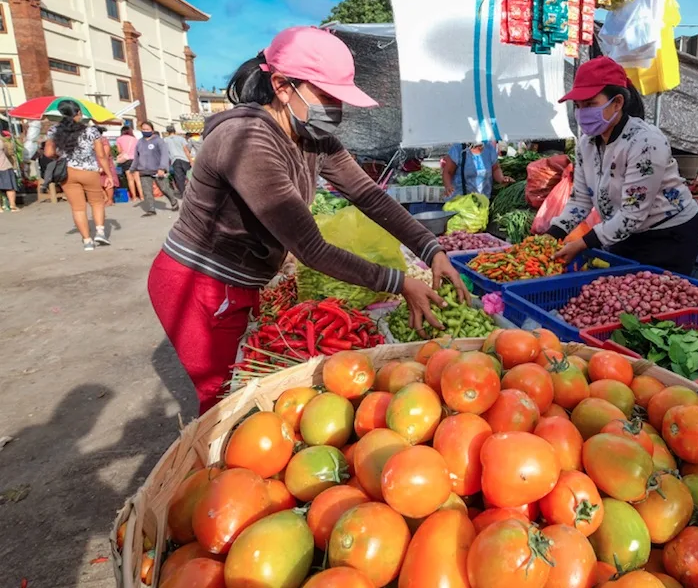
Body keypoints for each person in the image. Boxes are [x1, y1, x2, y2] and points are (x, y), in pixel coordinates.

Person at [147, 26, 469, 413]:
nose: (336, 110)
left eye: (339, 99)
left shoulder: (311, 136)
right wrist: (398, 283)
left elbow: (368, 195)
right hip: (199, 284)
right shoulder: (247, 140)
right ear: (283, 86)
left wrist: (430, 247)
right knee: (223, 405)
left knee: (245, 390)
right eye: (327, 96)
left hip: (241, 281)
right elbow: (311, 248)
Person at [548, 57, 698, 274]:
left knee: (656, 298)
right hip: (622, 230)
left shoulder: (646, 142)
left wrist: (583, 243)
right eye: (578, 106)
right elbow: (581, 199)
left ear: (617, 103)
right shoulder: (587, 143)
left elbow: (633, 214)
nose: (582, 113)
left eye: (591, 104)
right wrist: (552, 234)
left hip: (668, 234)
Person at [44, 100, 115, 250]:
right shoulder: (91, 131)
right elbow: (101, 156)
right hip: (89, 171)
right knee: (97, 202)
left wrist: (60, 157)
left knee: (78, 208)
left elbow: (48, 153)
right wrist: (108, 174)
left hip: (67, 172)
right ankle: (100, 232)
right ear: (78, 113)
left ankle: (87, 241)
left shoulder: (53, 130)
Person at [131, 121, 179, 216]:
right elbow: (136, 156)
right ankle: (151, 209)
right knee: (147, 191)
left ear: (152, 130)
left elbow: (164, 155)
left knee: (164, 188)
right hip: (144, 171)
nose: (145, 131)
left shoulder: (159, 141)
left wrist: (162, 168)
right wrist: (133, 168)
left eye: (147, 129)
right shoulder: (140, 142)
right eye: (143, 129)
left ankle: (174, 202)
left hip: (158, 170)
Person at [442, 142, 513, 199]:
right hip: (460, 200)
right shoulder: (458, 149)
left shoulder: (489, 148)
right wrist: (448, 186)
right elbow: (447, 172)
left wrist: (501, 179)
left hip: (482, 200)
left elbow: (495, 168)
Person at [115, 125, 142, 203]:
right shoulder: (135, 139)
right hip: (135, 160)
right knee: (138, 179)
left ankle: (134, 197)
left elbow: (119, 151)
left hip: (126, 161)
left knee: (130, 179)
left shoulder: (119, 139)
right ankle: (142, 196)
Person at [163, 125, 192, 196]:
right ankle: (192, 191)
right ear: (175, 131)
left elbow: (165, 153)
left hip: (174, 160)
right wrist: (191, 160)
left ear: (167, 132)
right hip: (184, 159)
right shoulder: (181, 138)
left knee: (179, 178)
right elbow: (186, 150)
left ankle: (183, 194)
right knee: (189, 176)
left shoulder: (165, 140)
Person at [95, 126, 118, 205]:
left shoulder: (103, 140)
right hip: (96, 164)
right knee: (98, 182)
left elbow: (106, 155)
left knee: (107, 182)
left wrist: (102, 166)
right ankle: (105, 198)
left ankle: (110, 199)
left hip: (105, 164)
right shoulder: (92, 141)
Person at [0, 130, 18, 212]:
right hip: (4, 165)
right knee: (10, 187)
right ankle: (12, 206)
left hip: (4, 165)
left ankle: (0, 208)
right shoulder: (2, 140)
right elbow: (8, 152)